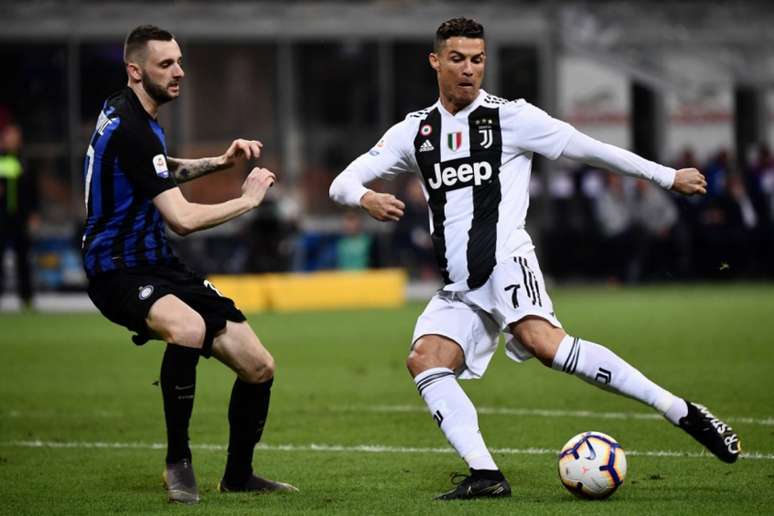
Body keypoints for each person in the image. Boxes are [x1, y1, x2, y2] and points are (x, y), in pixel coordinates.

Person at [330, 17, 741, 501]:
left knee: (545, 345)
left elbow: (593, 150)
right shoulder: (414, 131)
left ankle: (679, 410)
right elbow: (342, 183)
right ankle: (485, 475)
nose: (469, 70)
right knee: (425, 360)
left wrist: (666, 176)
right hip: (460, 286)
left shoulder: (513, 118)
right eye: (458, 59)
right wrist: (366, 199)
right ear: (435, 61)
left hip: (505, 260)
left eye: (478, 60)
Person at [82, 25, 297, 504]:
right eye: (166, 64)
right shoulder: (135, 127)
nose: (179, 71)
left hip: (157, 262)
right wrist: (246, 201)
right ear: (135, 70)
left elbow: (159, 167)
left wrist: (219, 162)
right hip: (116, 268)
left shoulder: (127, 109)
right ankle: (178, 461)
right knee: (188, 328)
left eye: (179, 61)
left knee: (259, 366)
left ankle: (239, 475)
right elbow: (180, 218)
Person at [0, 123, 37, 309]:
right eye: (9, 136)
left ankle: (27, 298)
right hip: (2, 217)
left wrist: (33, 213)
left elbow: (32, 190)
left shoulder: (25, 161)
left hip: (19, 218)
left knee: (23, 259)